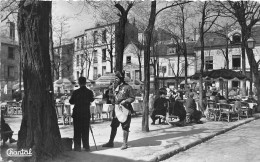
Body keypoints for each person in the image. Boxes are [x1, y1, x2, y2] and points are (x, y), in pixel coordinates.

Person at [102, 71, 135, 150]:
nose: (115, 79)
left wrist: (126, 101)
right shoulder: (114, 87)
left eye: (117, 78)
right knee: (113, 126)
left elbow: (132, 98)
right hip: (116, 109)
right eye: (115, 78)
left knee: (125, 126)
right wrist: (108, 92)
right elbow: (110, 97)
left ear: (121, 79)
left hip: (125, 109)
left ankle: (125, 143)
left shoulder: (128, 87)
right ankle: (111, 142)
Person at [69, 76, 94, 152]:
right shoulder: (89, 92)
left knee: (77, 130)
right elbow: (92, 99)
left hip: (77, 113)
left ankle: (77, 147)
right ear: (85, 82)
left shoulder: (76, 92)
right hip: (86, 113)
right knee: (85, 130)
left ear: (79, 83)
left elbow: (71, 101)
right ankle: (86, 146)